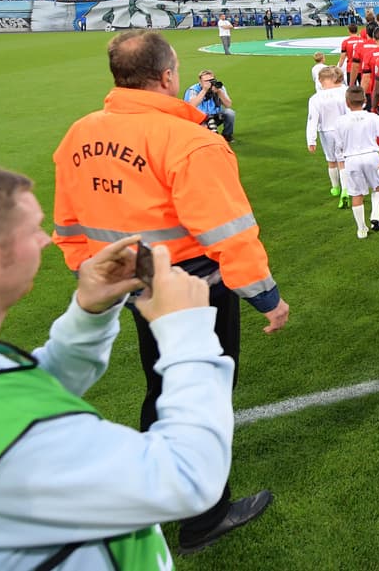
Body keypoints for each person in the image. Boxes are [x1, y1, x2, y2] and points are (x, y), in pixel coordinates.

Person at [52, 30, 287, 555]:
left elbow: (67, 223)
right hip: (191, 286)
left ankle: (153, 491)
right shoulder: (192, 141)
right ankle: (204, 517)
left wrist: (94, 275)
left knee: (159, 382)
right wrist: (268, 300)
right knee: (200, 390)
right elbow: (231, 234)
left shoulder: (79, 133)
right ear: (166, 76)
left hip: (128, 280)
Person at [0, 165, 234, 569]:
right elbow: (187, 477)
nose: (46, 240)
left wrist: (90, 312)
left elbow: (27, 392)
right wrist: (186, 330)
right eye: (32, 230)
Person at [336, 85, 379, 237]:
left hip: (351, 159)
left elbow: (339, 145)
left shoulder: (340, 121)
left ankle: (361, 229)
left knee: (356, 194)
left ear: (347, 102)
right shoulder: (373, 118)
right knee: (377, 187)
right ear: (364, 100)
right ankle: (375, 214)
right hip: (371, 157)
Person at [306, 65, 349, 202]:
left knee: (331, 161)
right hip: (343, 129)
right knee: (343, 161)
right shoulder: (345, 92)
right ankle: (346, 189)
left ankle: (335, 187)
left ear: (322, 81)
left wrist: (311, 140)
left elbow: (312, 120)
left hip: (326, 131)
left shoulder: (316, 98)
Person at [185, 69, 236, 142]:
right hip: (199, 119)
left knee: (230, 113)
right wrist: (204, 90)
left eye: (212, 80)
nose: (210, 83)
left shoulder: (219, 88)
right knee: (206, 138)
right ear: (200, 82)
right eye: (206, 81)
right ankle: (208, 132)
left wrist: (219, 92)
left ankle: (227, 135)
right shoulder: (193, 90)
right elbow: (192, 105)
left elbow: (228, 105)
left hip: (215, 116)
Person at [359, 27, 379, 115]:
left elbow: (366, 79)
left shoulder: (369, 55)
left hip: (378, 96)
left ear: (374, 39)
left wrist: (362, 95)